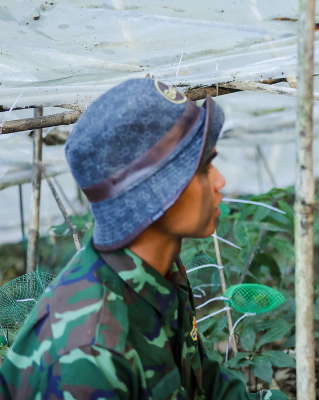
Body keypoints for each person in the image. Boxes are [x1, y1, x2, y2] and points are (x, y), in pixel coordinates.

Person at [0, 78, 260, 399]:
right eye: (204, 168)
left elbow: (201, 382)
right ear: (154, 194)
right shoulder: (90, 354)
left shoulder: (157, 270)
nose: (220, 181)